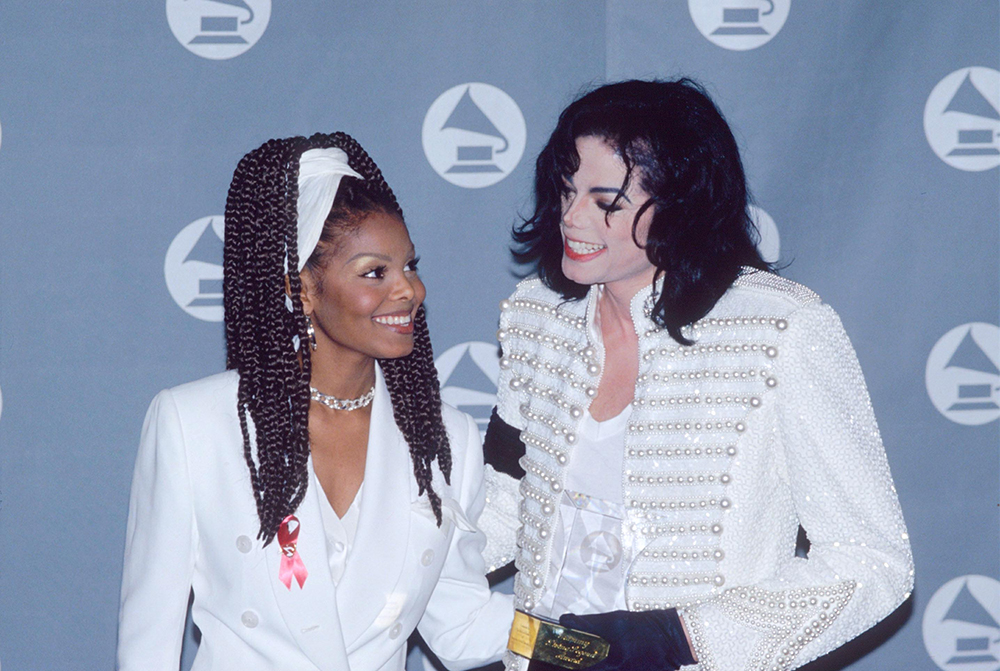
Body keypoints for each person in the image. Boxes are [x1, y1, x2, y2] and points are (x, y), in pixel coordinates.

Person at [480, 79, 914, 671]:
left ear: (682, 204)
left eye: (607, 201)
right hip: (545, 658)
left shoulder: (781, 328)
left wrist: (678, 638)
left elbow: (872, 560)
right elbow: (505, 506)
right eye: (565, 190)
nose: (573, 218)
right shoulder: (537, 319)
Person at [118, 132, 512, 671]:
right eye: (376, 272)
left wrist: (594, 640)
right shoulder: (194, 425)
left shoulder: (444, 440)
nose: (409, 291)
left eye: (410, 267)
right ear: (301, 288)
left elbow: (462, 626)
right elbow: (148, 647)